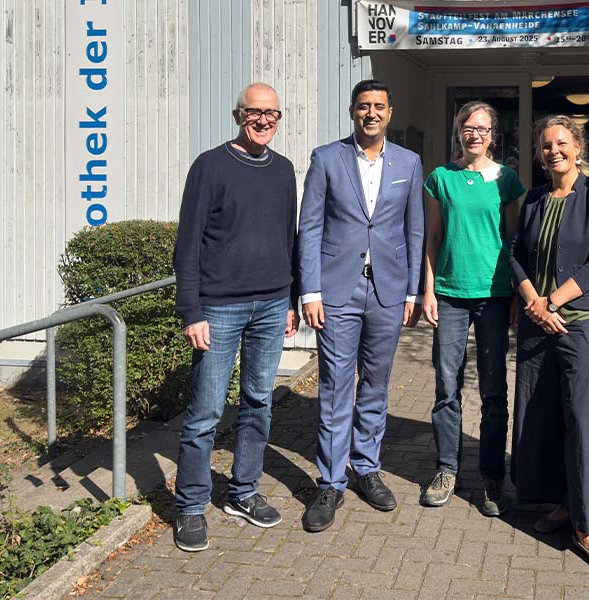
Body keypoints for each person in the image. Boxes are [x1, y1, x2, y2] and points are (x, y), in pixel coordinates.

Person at [171, 82, 300, 552]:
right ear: (237, 114)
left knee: (258, 404)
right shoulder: (210, 166)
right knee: (205, 413)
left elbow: (290, 240)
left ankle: (242, 493)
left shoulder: (284, 169)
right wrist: (192, 311)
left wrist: (290, 299)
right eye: (254, 112)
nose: (263, 120)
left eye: (272, 114)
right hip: (219, 309)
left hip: (271, 305)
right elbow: (187, 246)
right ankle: (189, 506)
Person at [297, 79, 424, 532]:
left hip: (387, 292)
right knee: (335, 386)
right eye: (364, 106)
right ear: (352, 111)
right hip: (337, 292)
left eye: (379, 107)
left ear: (390, 113)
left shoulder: (409, 162)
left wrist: (411, 292)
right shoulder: (327, 158)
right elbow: (309, 227)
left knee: (376, 383)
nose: (372, 113)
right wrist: (309, 291)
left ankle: (366, 468)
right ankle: (330, 481)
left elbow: (414, 231)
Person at [509, 115, 589, 573]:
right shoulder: (537, 198)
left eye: (561, 143)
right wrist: (533, 303)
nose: (553, 150)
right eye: (545, 145)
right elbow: (516, 254)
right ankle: (563, 502)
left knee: (585, 421)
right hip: (538, 325)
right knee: (543, 418)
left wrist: (553, 302)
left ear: (578, 147)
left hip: (583, 325)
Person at [420, 101, 525, 515]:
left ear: (493, 135)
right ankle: (447, 469)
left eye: (482, 128)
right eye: (468, 127)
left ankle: (491, 476)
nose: (475, 134)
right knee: (447, 387)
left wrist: (518, 292)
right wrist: (428, 290)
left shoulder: (507, 180)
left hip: (495, 295)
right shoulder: (440, 178)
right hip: (448, 293)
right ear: (459, 131)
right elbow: (432, 237)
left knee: (494, 388)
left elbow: (515, 242)